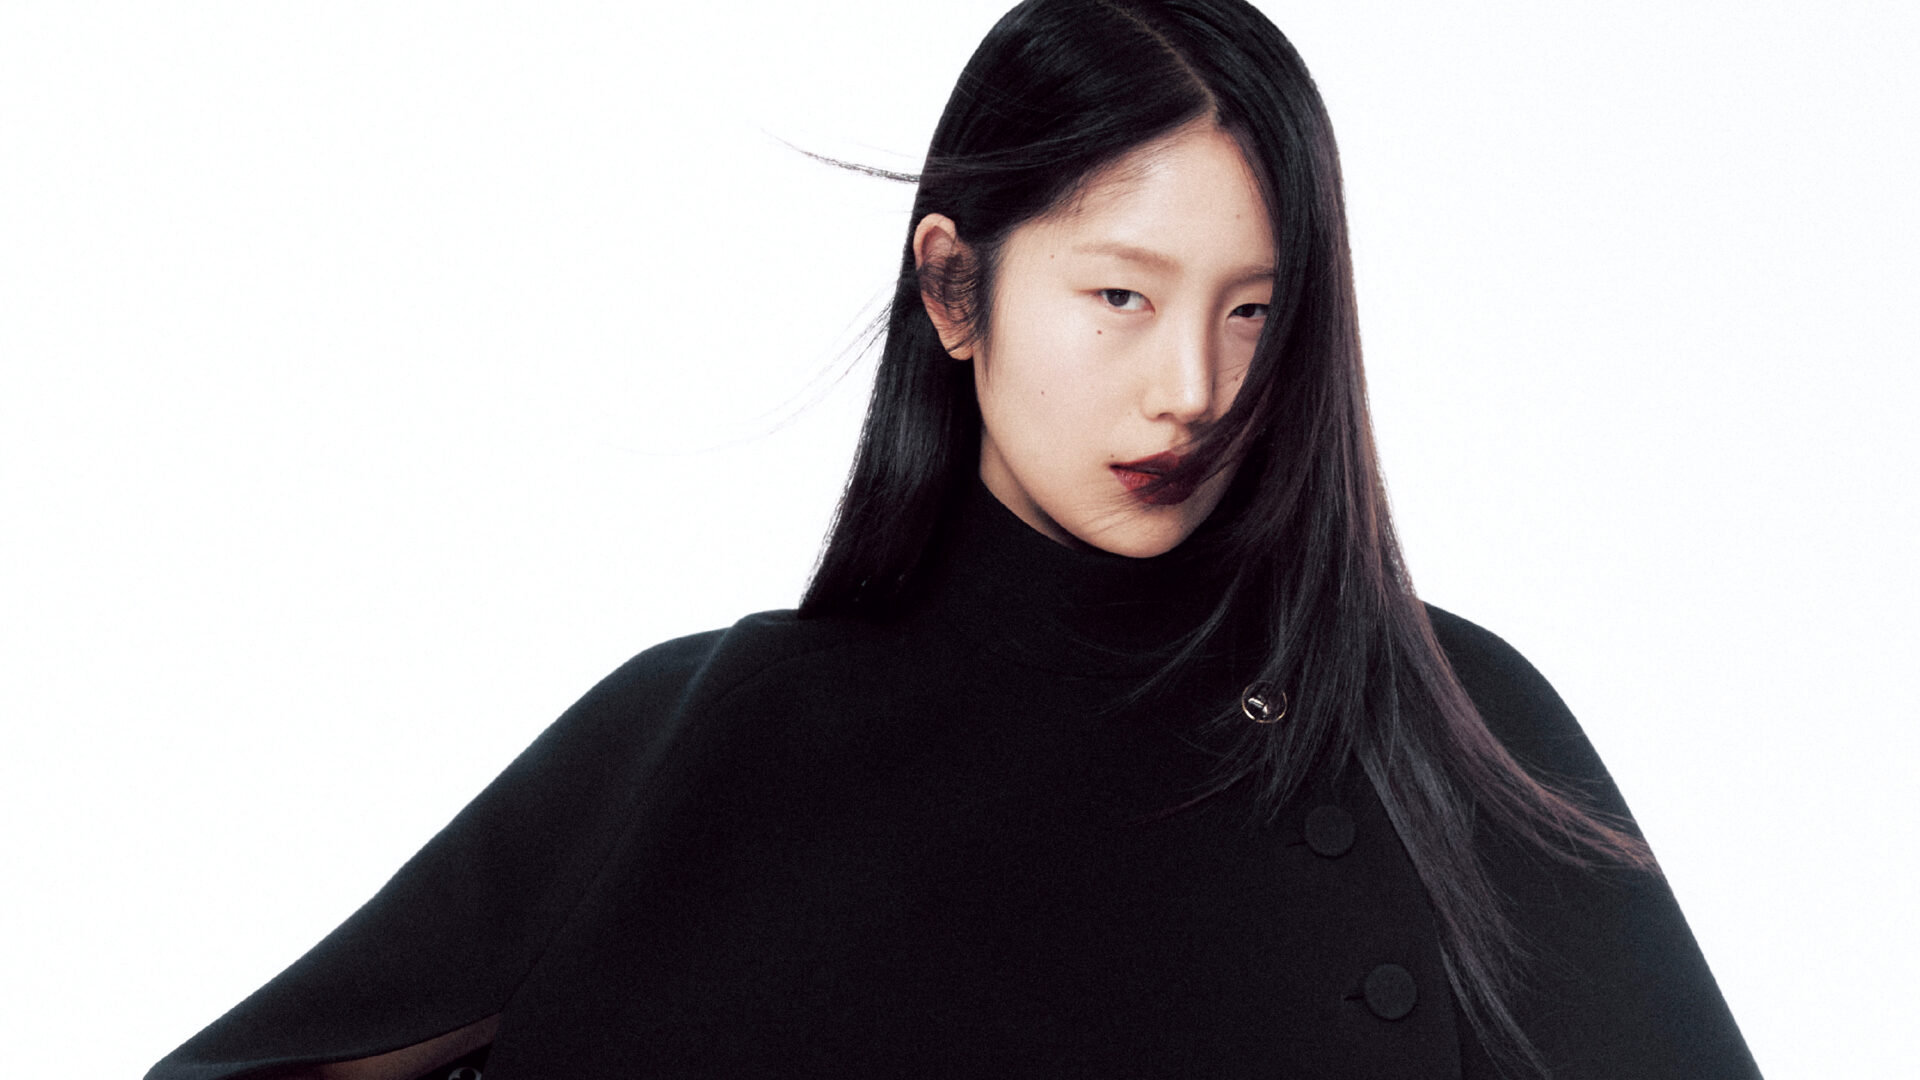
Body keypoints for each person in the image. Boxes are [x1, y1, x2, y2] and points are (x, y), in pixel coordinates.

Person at [147, 1, 1759, 1077]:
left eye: (1254, 313)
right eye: (1119, 295)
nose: (1191, 388)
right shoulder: (719, 726)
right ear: (954, 288)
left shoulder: (1444, 722)